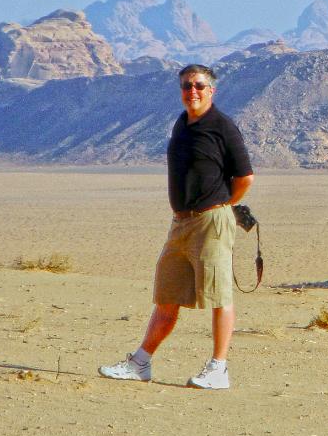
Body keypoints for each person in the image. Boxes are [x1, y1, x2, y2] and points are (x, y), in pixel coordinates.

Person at [99, 63, 254, 389]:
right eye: (186, 86)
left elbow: (245, 177)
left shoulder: (222, 127)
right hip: (181, 224)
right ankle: (140, 363)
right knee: (167, 295)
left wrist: (223, 204)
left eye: (198, 85)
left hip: (211, 221)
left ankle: (219, 369)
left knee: (219, 294)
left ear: (211, 90)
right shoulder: (181, 124)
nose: (192, 92)